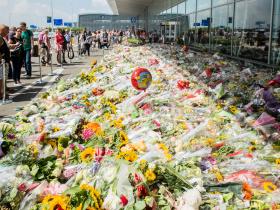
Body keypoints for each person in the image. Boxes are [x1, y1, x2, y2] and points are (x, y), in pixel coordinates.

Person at [0, 24, 11, 99]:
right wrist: (1, 59)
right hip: (2, 62)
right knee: (1, 78)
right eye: (6, 30)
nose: (8, 32)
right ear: (2, 30)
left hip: (4, 61)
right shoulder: (0, 38)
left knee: (3, 78)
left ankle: (3, 93)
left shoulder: (2, 38)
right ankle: (2, 94)